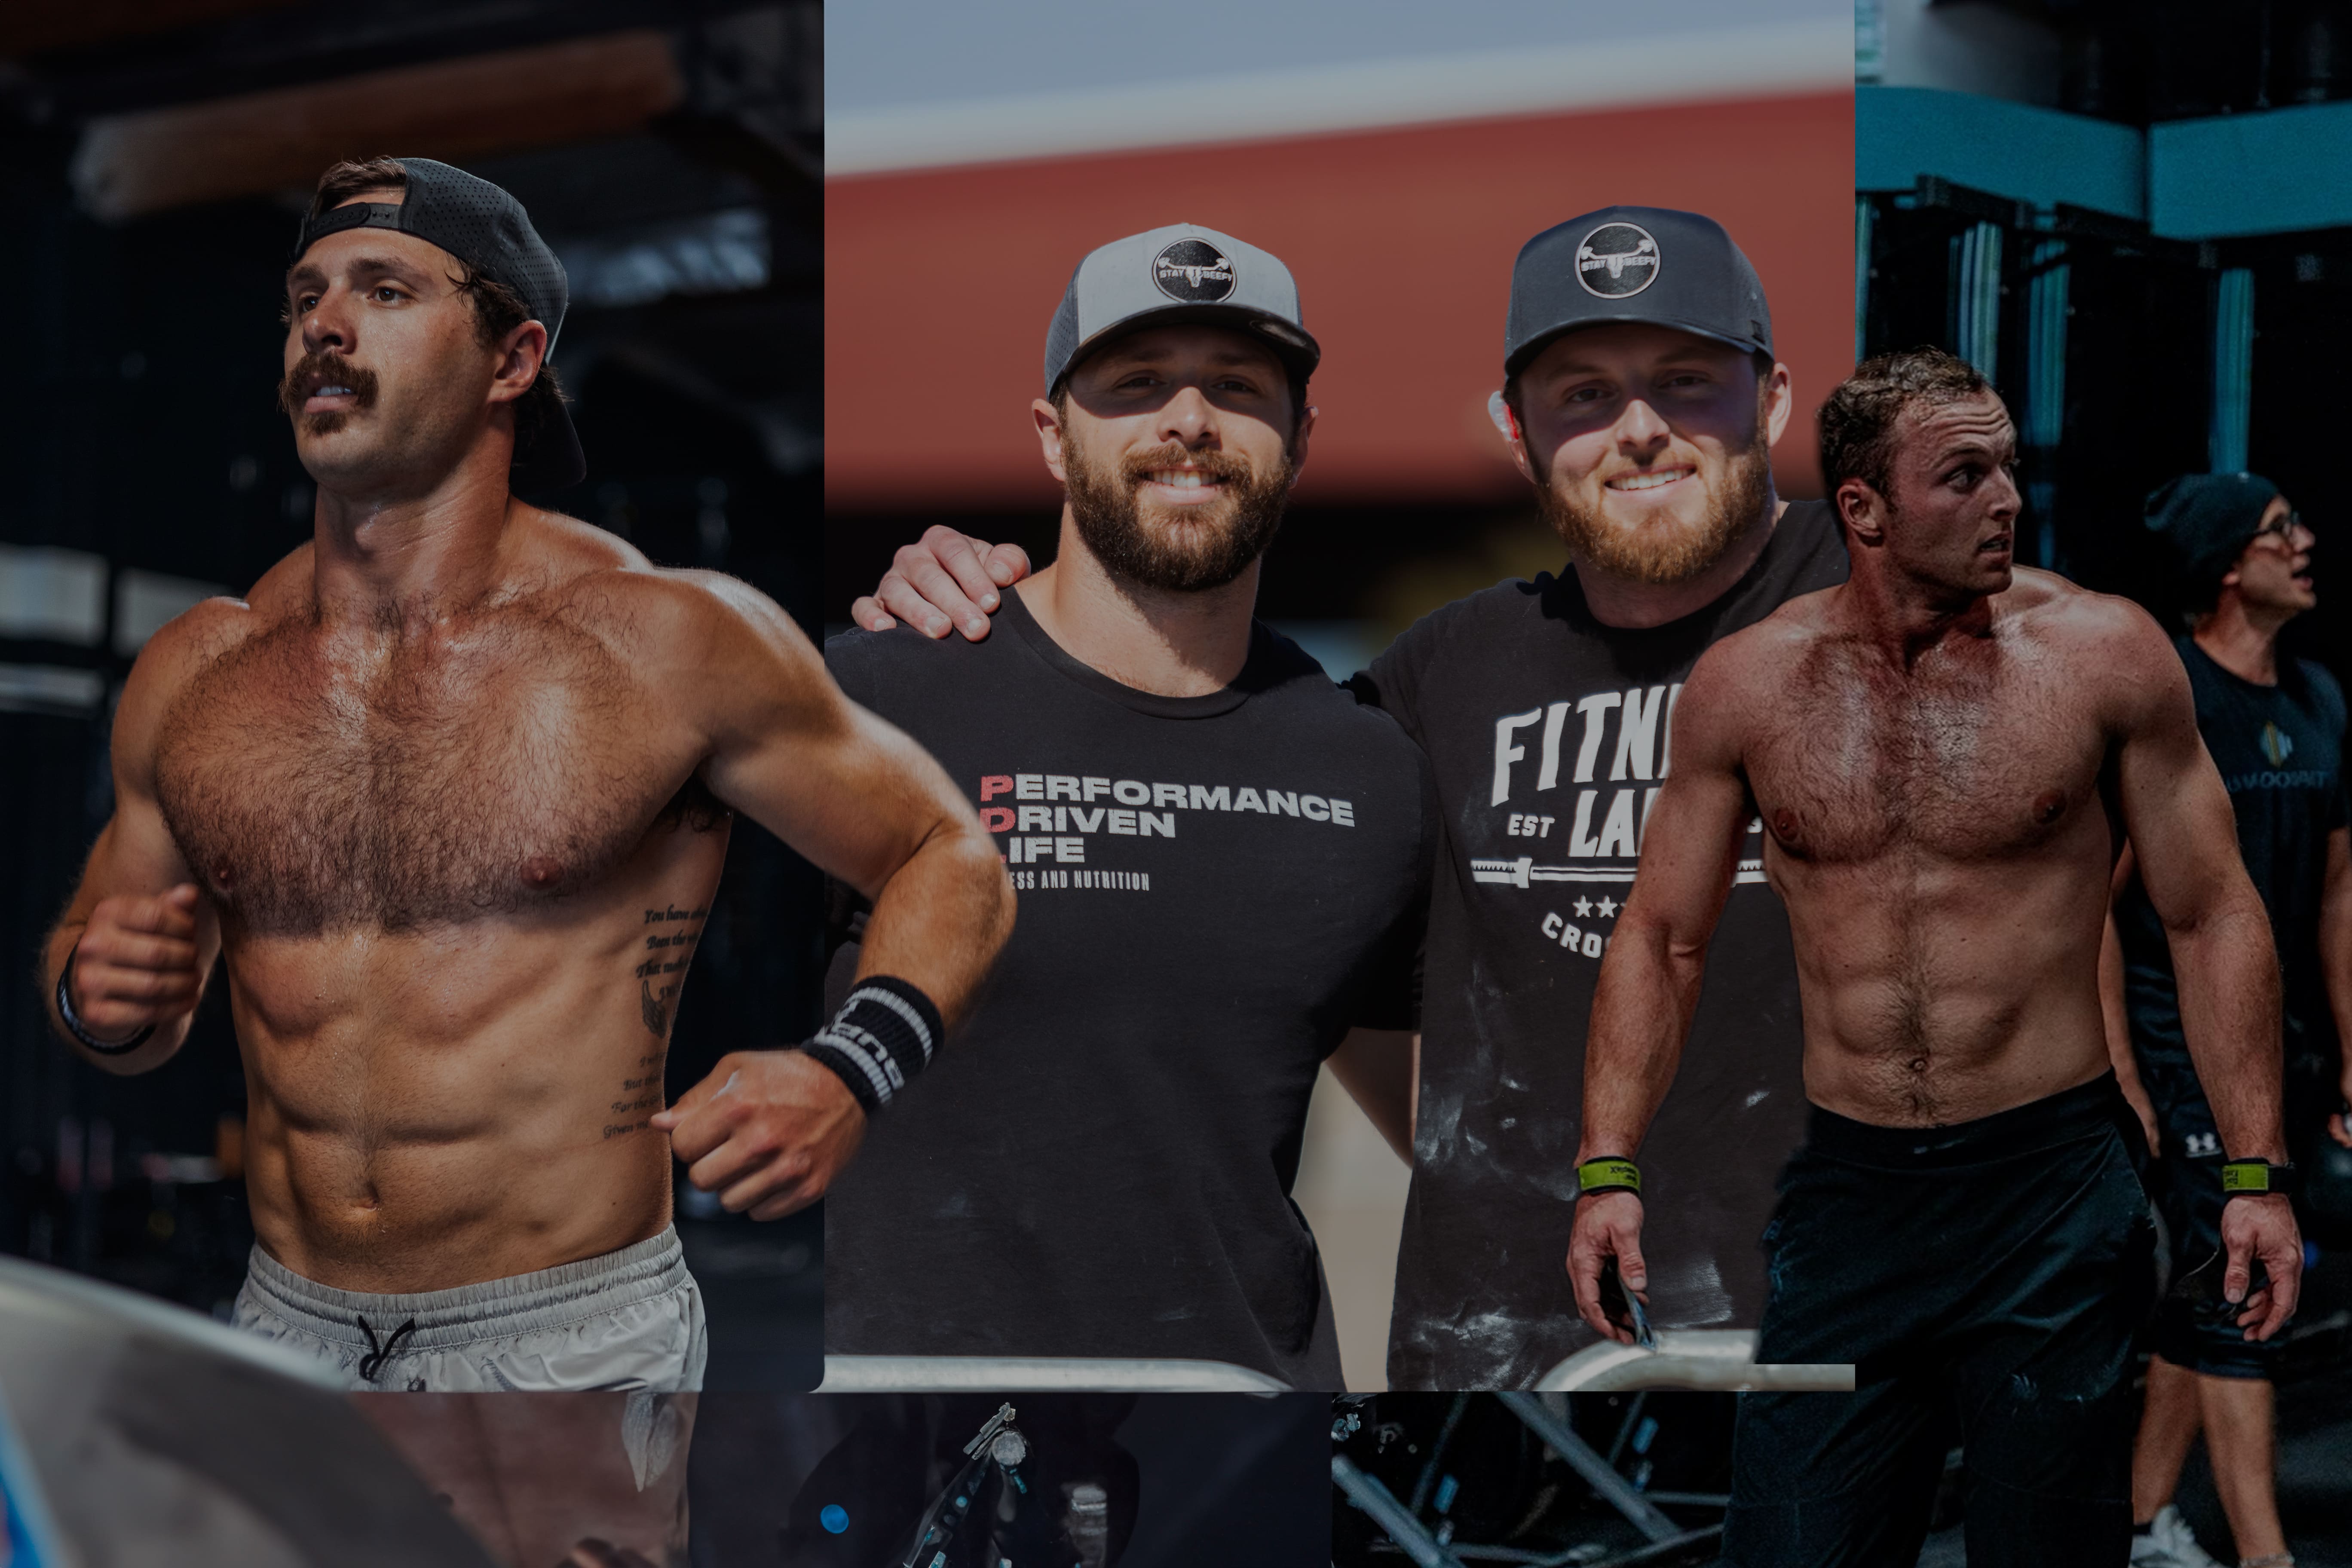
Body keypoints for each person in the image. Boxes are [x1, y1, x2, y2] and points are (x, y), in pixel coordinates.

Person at [41, 156, 1012, 1396]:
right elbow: (125, 1018)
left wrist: (850, 1068)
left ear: (513, 361)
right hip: (285, 1325)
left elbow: (950, 854)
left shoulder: (669, 642)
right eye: (304, 298)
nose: (323, 328)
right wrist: (99, 1001)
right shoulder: (197, 671)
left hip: (568, 1337)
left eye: (386, 291)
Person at [854, 207, 1846, 1388]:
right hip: (1503, 1386)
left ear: (1776, 402)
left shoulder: (1905, 618)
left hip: (1843, 1343)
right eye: (1581, 394)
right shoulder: (1424, 694)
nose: (1638, 430)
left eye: (1686, 382)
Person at [1567, 347, 2303, 1565]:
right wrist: (1605, 1171)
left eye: (2009, 468)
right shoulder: (1750, 683)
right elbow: (1661, 932)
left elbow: (2212, 915)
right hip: (1855, 1200)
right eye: (1964, 475)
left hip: (2053, 1191)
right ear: (1863, 507)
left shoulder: (2104, 655)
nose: (2007, 499)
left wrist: (2254, 1176)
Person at [823, 224, 1433, 1388]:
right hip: (913, 1434)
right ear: (1054, 439)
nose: (1190, 420)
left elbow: (1456, 1141)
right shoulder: (874, 699)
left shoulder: (1369, 769)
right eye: (1138, 384)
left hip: (1243, 1431)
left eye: (1239, 388)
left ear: (1301, 442)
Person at [2110, 475, 2351, 1568]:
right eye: (2279, 530)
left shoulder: (2320, 699)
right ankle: (2267, 1557)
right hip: (2183, 1038)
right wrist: (2121, 1063)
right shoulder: (2171, 700)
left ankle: (2134, 1525)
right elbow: (2095, 909)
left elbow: (2342, 894)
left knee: (2207, 1294)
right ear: (2224, 566)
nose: (2306, 543)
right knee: (2249, 1288)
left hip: (2281, 1041)